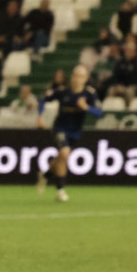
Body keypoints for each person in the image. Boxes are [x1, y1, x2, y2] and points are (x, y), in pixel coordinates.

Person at [35, 64, 103, 202]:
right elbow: (43, 100)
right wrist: (40, 116)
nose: (77, 79)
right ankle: (60, 190)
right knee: (65, 153)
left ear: (85, 79)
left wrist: (87, 107)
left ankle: (46, 174)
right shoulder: (63, 92)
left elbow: (99, 113)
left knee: (62, 156)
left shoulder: (89, 94)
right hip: (60, 128)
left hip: (75, 132)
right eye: (75, 75)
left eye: (80, 76)